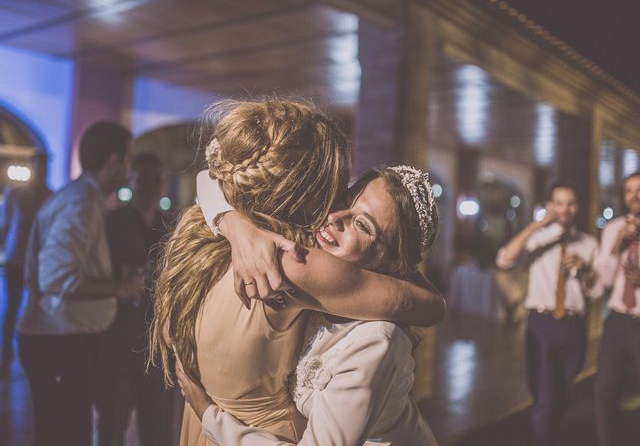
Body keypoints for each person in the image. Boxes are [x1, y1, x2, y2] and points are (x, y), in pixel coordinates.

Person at [148, 99, 445, 445]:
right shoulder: (285, 258)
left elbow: (208, 177)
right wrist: (238, 226)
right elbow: (428, 304)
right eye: (341, 198)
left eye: (361, 225)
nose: (333, 217)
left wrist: (232, 222)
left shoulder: (199, 229)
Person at [17, 121, 144, 446]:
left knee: (65, 430)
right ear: (114, 162)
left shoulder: (85, 199)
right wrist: (121, 288)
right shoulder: (81, 204)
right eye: (129, 160)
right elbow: (57, 277)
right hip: (58, 339)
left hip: (63, 337)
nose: (130, 170)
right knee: (64, 433)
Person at [496, 183, 598, 446]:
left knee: (562, 392)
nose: (565, 209)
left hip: (575, 325)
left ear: (577, 207)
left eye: (571, 203)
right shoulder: (537, 239)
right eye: (559, 203)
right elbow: (504, 259)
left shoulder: (588, 243)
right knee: (545, 395)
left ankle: (546, 436)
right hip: (541, 324)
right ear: (551, 206)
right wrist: (539, 225)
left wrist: (585, 270)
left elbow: (596, 291)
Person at [96, 152, 176, 446]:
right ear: (132, 181)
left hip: (156, 345)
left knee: (158, 429)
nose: (150, 186)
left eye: (156, 180)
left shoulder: (170, 225)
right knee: (112, 425)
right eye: (144, 180)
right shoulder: (112, 222)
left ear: (163, 184)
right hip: (118, 339)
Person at [593, 171, 640, 446]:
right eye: (629, 190)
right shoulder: (613, 229)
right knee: (605, 392)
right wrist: (616, 246)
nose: (635, 196)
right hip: (618, 321)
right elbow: (603, 281)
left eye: (639, 189)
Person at [1, 151, 51, 376]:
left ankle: (34, 349)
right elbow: (6, 223)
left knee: (36, 305)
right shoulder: (15, 194)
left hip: (40, 262)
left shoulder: (50, 196)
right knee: (12, 306)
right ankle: (6, 351)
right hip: (17, 257)